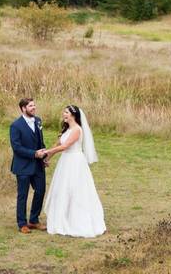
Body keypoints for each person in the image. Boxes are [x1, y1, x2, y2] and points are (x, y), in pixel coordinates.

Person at [40, 104, 106, 237]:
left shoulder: (77, 130)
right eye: (64, 112)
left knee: (75, 189)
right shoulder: (66, 130)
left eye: (66, 112)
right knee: (63, 189)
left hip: (75, 162)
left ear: (73, 115)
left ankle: (76, 220)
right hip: (65, 162)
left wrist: (46, 151)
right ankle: (63, 216)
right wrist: (48, 157)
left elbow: (65, 146)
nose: (64, 114)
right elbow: (58, 144)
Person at [9, 97, 48, 234]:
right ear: (23, 108)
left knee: (40, 190)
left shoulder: (38, 121)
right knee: (23, 195)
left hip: (38, 164)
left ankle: (34, 220)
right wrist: (34, 154)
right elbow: (17, 148)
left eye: (34, 105)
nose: (34, 108)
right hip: (23, 166)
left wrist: (43, 156)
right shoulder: (15, 126)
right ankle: (22, 223)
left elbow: (40, 141)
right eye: (31, 106)